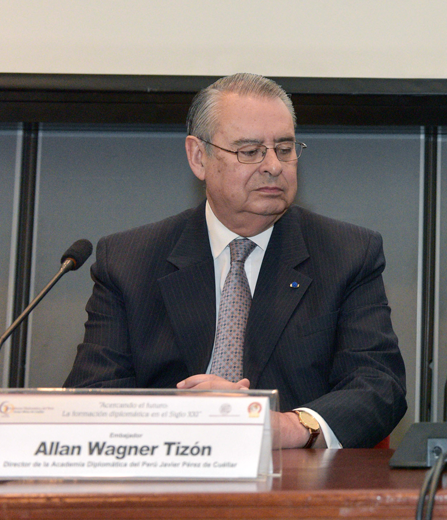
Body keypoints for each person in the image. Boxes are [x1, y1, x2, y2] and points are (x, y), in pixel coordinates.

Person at [65, 73, 406, 449]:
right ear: (199, 157)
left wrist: (283, 427)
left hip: (292, 476)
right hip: (165, 470)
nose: (274, 165)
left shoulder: (347, 254)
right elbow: (93, 395)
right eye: (250, 151)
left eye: (285, 148)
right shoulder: (128, 261)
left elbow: (378, 386)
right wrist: (185, 421)